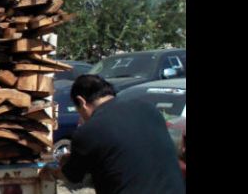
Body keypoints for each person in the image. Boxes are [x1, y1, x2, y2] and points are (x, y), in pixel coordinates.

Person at [43, 74, 185, 193]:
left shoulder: (89, 130)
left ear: (82, 101)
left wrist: (53, 170)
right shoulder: (148, 109)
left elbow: (72, 177)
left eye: (78, 110)